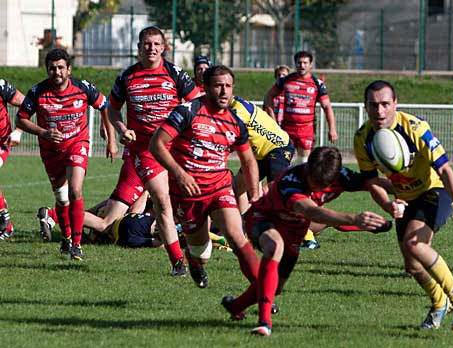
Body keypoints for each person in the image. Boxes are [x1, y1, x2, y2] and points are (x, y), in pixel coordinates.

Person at [220, 147, 387, 336]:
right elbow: (311, 211)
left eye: (320, 184)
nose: (313, 186)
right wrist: (354, 220)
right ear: (308, 169)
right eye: (312, 179)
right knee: (275, 246)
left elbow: (372, 183)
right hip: (262, 218)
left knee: (277, 287)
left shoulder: (342, 176)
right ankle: (264, 323)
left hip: (295, 232)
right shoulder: (291, 181)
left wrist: (404, 191)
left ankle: (236, 306)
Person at [354, 80, 453, 332]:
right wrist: (388, 205)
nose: (379, 111)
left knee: (415, 244)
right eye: (373, 105)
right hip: (403, 197)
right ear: (366, 107)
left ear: (395, 104)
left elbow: (444, 168)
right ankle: (438, 303)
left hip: (434, 190)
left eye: (385, 104)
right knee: (412, 265)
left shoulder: (416, 128)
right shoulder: (362, 138)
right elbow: (371, 182)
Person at [150, 65, 262, 290]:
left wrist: (255, 197)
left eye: (228, 86)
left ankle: (262, 293)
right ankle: (195, 263)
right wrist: (180, 174)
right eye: (218, 86)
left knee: (237, 238)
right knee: (201, 252)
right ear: (207, 88)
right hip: (188, 193)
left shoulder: (236, 122)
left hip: (220, 188)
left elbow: (248, 161)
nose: (224, 91)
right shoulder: (188, 111)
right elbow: (157, 144)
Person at [103, 26, 199, 275]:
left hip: (177, 147)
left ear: (164, 47)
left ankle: (197, 246)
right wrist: (121, 128)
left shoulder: (175, 74)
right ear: (138, 47)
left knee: (189, 200)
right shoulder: (127, 77)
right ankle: (178, 262)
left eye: (156, 44)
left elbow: (196, 104)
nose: (152, 48)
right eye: (147, 44)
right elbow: (112, 109)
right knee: (162, 201)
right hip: (146, 151)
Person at [16, 48, 110, 260]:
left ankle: (77, 244)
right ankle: (66, 238)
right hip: (51, 152)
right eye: (52, 68)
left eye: (60, 67)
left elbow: (104, 105)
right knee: (61, 197)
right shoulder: (37, 92)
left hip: (77, 143)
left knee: (75, 190)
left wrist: (109, 136)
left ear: (69, 69)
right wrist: (43, 133)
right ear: (47, 70)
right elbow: (20, 119)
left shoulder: (82, 87)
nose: (56, 72)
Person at [264, 51, 338, 164]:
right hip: (287, 129)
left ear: (311, 64)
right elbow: (269, 96)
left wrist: (332, 129)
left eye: (305, 63)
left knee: (303, 162)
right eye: (299, 63)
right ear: (295, 64)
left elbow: (327, 106)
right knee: (283, 161)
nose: (302, 66)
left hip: (306, 130)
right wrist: (273, 120)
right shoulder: (286, 81)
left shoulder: (317, 83)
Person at [229, 95, 294, 215]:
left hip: (278, 148)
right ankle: (247, 224)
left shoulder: (238, 111)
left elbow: (230, 138)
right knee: (239, 185)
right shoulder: (233, 108)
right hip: (259, 155)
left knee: (276, 190)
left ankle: (289, 222)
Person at [0, 79, 25, 240]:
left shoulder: (0, 85)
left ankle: (4, 219)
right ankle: (5, 223)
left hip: (1, 141)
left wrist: (18, 130)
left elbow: (27, 104)